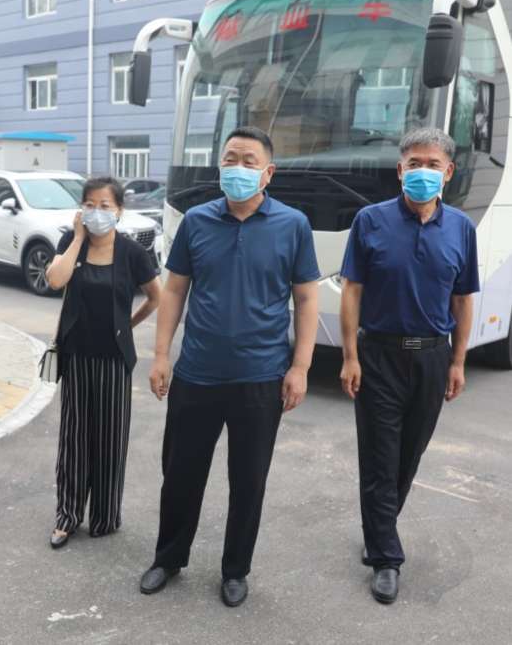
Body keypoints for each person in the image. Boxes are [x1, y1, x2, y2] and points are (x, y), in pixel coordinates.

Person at [140, 127, 320, 607]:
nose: (237, 167)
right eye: (230, 158)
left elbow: (306, 299)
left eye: (248, 160)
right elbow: (175, 289)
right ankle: (168, 558)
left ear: (268, 172)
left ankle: (235, 569)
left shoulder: (293, 225)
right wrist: (162, 355)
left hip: (261, 378)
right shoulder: (197, 221)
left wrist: (300, 367)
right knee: (181, 474)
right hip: (197, 374)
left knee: (248, 481)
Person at [339, 128, 479, 604]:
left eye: (432, 164)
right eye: (414, 163)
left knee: (408, 456)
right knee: (379, 458)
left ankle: (379, 529)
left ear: (448, 172)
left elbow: (463, 300)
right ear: (400, 170)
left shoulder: (461, 229)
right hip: (378, 354)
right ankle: (386, 558)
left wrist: (458, 361)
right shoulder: (370, 221)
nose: (422, 172)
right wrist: (350, 356)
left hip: (433, 357)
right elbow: (352, 291)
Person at [46, 176, 160, 548]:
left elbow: (156, 297)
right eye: (90, 205)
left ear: (119, 211)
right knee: (74, 438)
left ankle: (105, 517)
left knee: (110, 439)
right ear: (81, 209)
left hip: (113, 358)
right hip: (76, 354)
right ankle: (67, 516)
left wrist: (128, 325)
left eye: (105, 206)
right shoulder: (71, 241)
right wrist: (78, 238)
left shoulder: (132, 253)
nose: (97, 212)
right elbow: (55, 280)